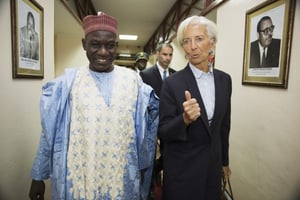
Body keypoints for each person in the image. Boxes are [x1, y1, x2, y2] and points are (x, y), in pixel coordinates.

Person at [28, 11, 159, 200]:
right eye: (95, 44)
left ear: (117, 46)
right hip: (81, 180)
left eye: (110, 45)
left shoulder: (133, 82)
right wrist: (38, 176)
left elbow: (149, 127)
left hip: (121, 181)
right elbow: (48, 132)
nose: (103, 52)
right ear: (84, 45)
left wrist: (145, 166)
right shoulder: (67, 84)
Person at [158, 15, 232, 200]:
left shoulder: (225, 80)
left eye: (199, 39)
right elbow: (163, 131)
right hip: (182, 172)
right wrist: (184, 119)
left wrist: (224, 162)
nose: (193, 47)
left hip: (211, 172)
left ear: (212, 42)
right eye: (186, 41)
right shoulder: (172, 83)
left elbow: (224, 126)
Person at [140, 43, 176, 200]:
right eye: (164, 54)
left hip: (170, 125)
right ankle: (149, 190)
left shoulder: (176, 75)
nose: (167, 58)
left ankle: (165, 184)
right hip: (151, 124)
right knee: (149, 157)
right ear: (157, 54)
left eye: (170, 55)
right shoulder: (145, 75)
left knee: (169, 157)